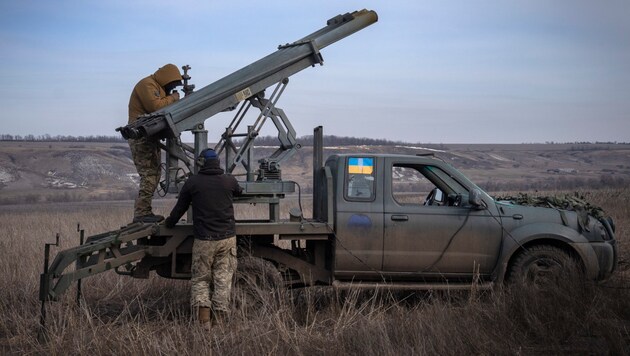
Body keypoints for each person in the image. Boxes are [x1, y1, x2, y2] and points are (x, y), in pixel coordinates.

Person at [164, 148, 243, 326]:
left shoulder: (193, 182)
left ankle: (204, 322)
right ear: (217, 162)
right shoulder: (229, 181)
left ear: (201, 163)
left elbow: (179, 208)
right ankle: (220, 321)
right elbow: (240, 191)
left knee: (200, 280)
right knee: (223, 279)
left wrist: (169, 223)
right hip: (227, 238)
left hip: (204, 240)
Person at [128, 63, 183, 223]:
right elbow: (155, 107)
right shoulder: (147, 84)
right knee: (149, 175)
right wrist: (174, 98)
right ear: (166, 79)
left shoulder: (156, 86)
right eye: (171, 84)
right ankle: (141, 214)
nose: (172, 88)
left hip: (148, 136)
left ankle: (144, 211)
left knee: (155, 173)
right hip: (140, 136)